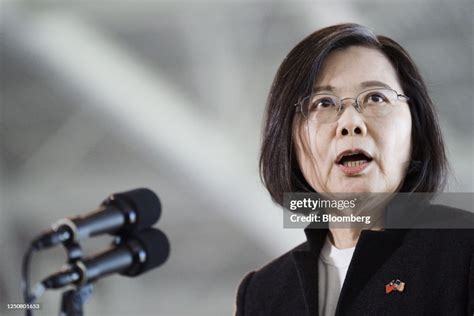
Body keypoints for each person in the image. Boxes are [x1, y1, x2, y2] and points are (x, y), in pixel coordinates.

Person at [235, 23, 474, 315]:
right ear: (287, 138)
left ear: (416, 127)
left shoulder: (464, 250)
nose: (350, 123)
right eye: (322, 103)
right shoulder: (263, 293)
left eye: (376, 98)